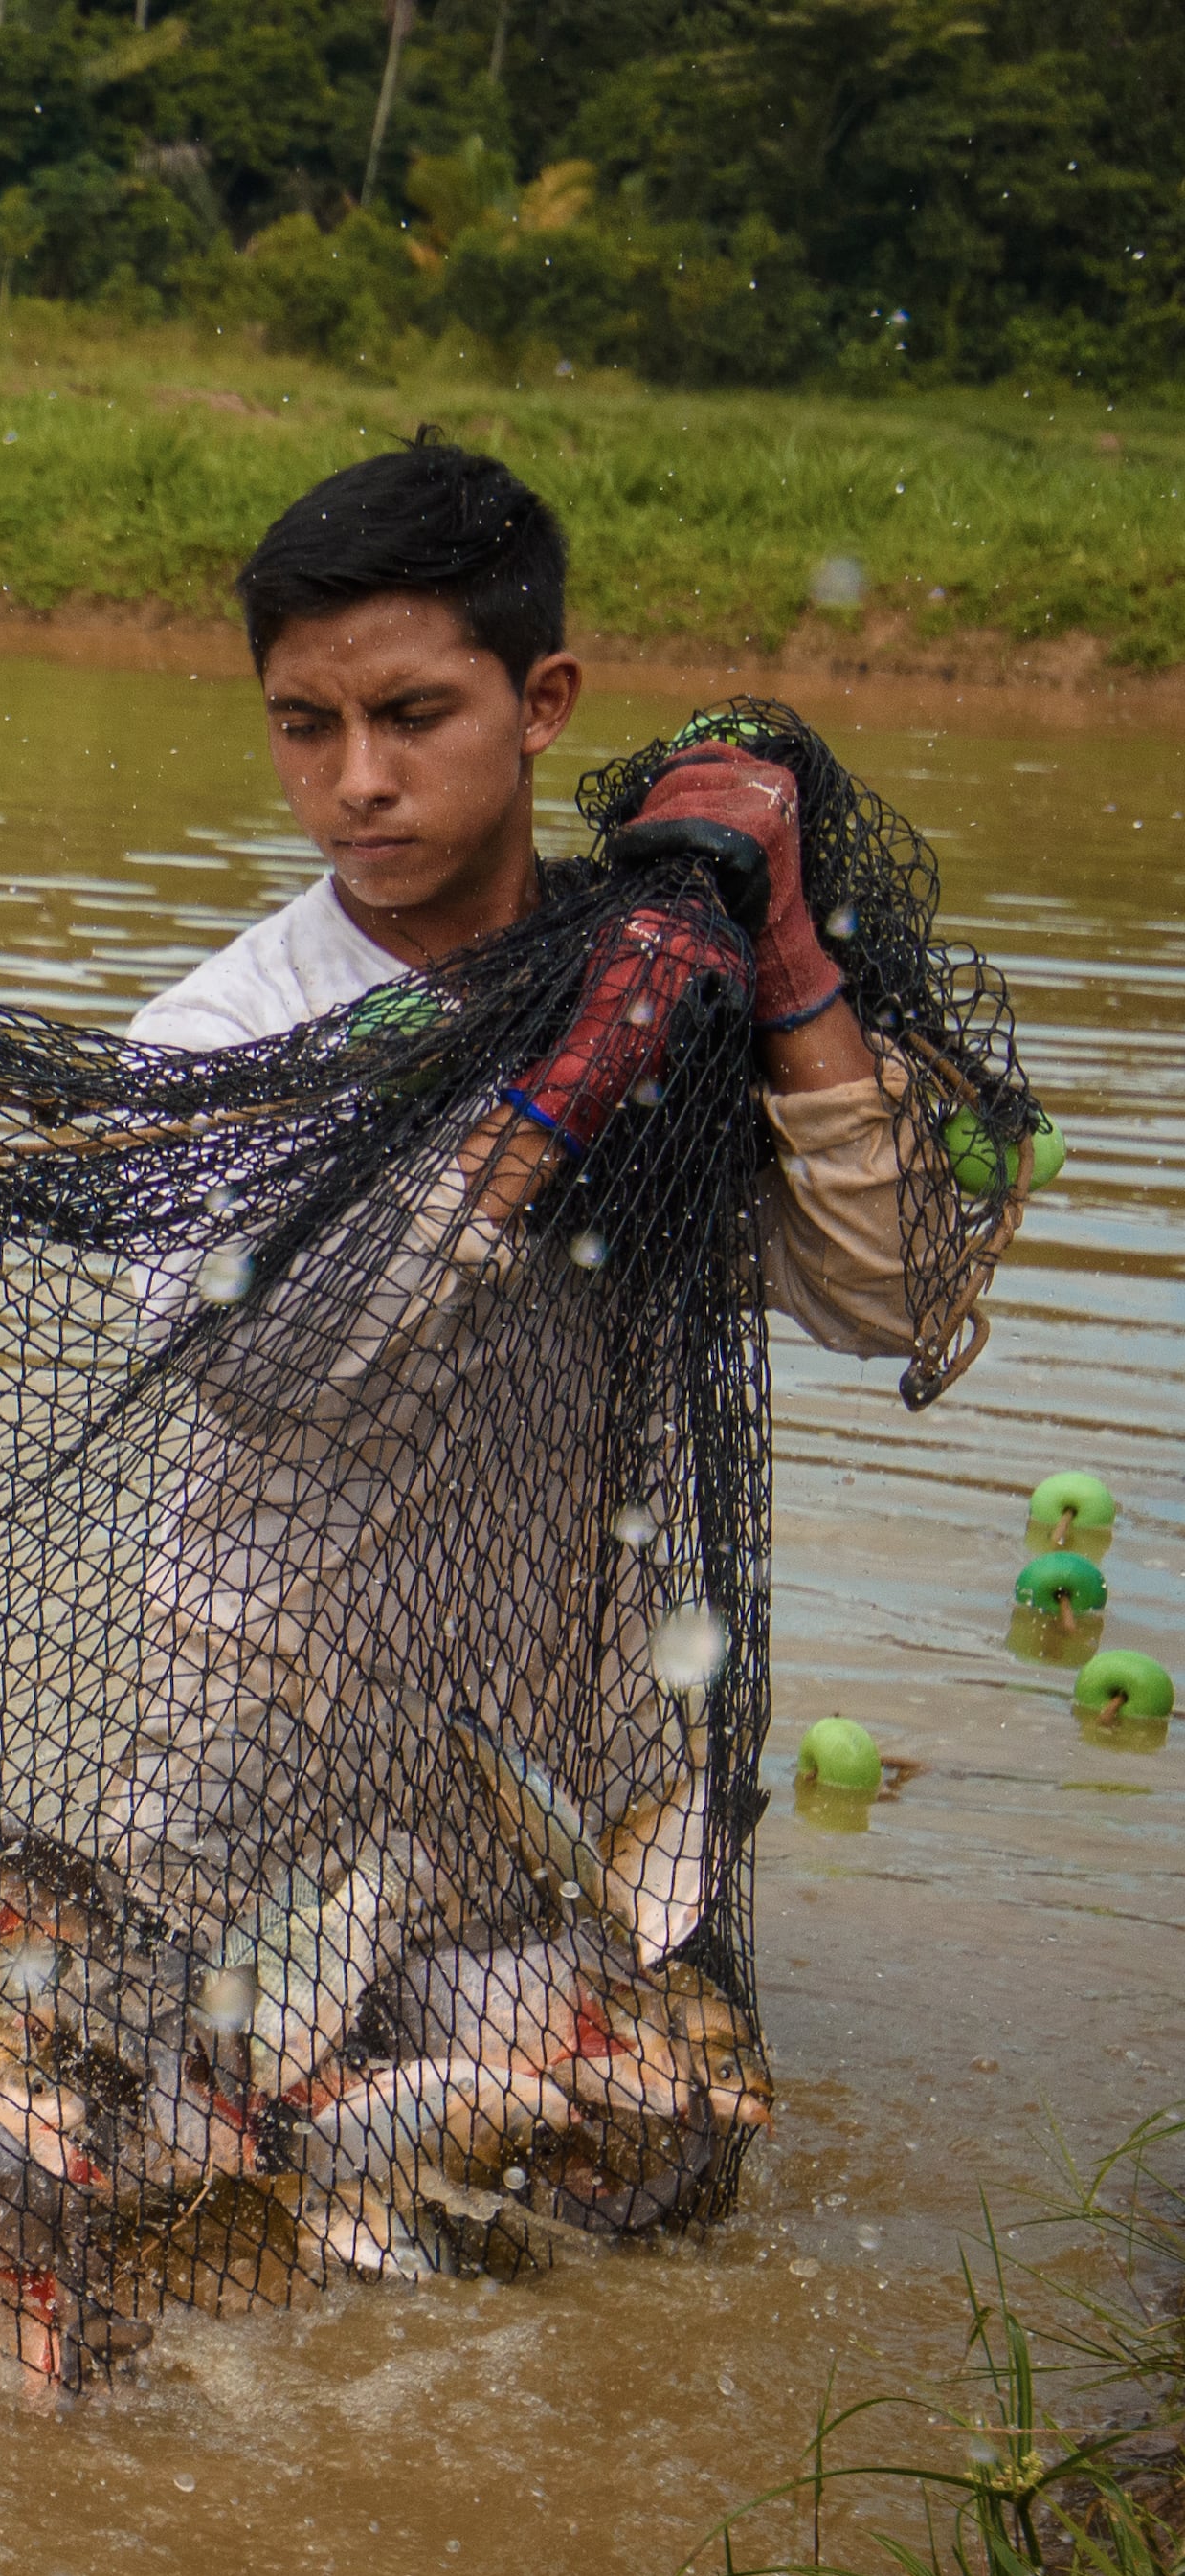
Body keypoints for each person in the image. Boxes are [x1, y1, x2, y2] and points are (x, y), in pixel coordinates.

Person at [99, 436, 967, 1946]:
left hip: (583, 1744)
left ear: (541, 704)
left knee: (617, 2138)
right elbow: (250, 1363)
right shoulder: (226, 1032)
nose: (357, 780)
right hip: (276, 1727)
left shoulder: (668, 993)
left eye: (413, 715)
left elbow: (896, 1294)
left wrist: (787, 964)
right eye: (306, 725)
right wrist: (547, 1107)